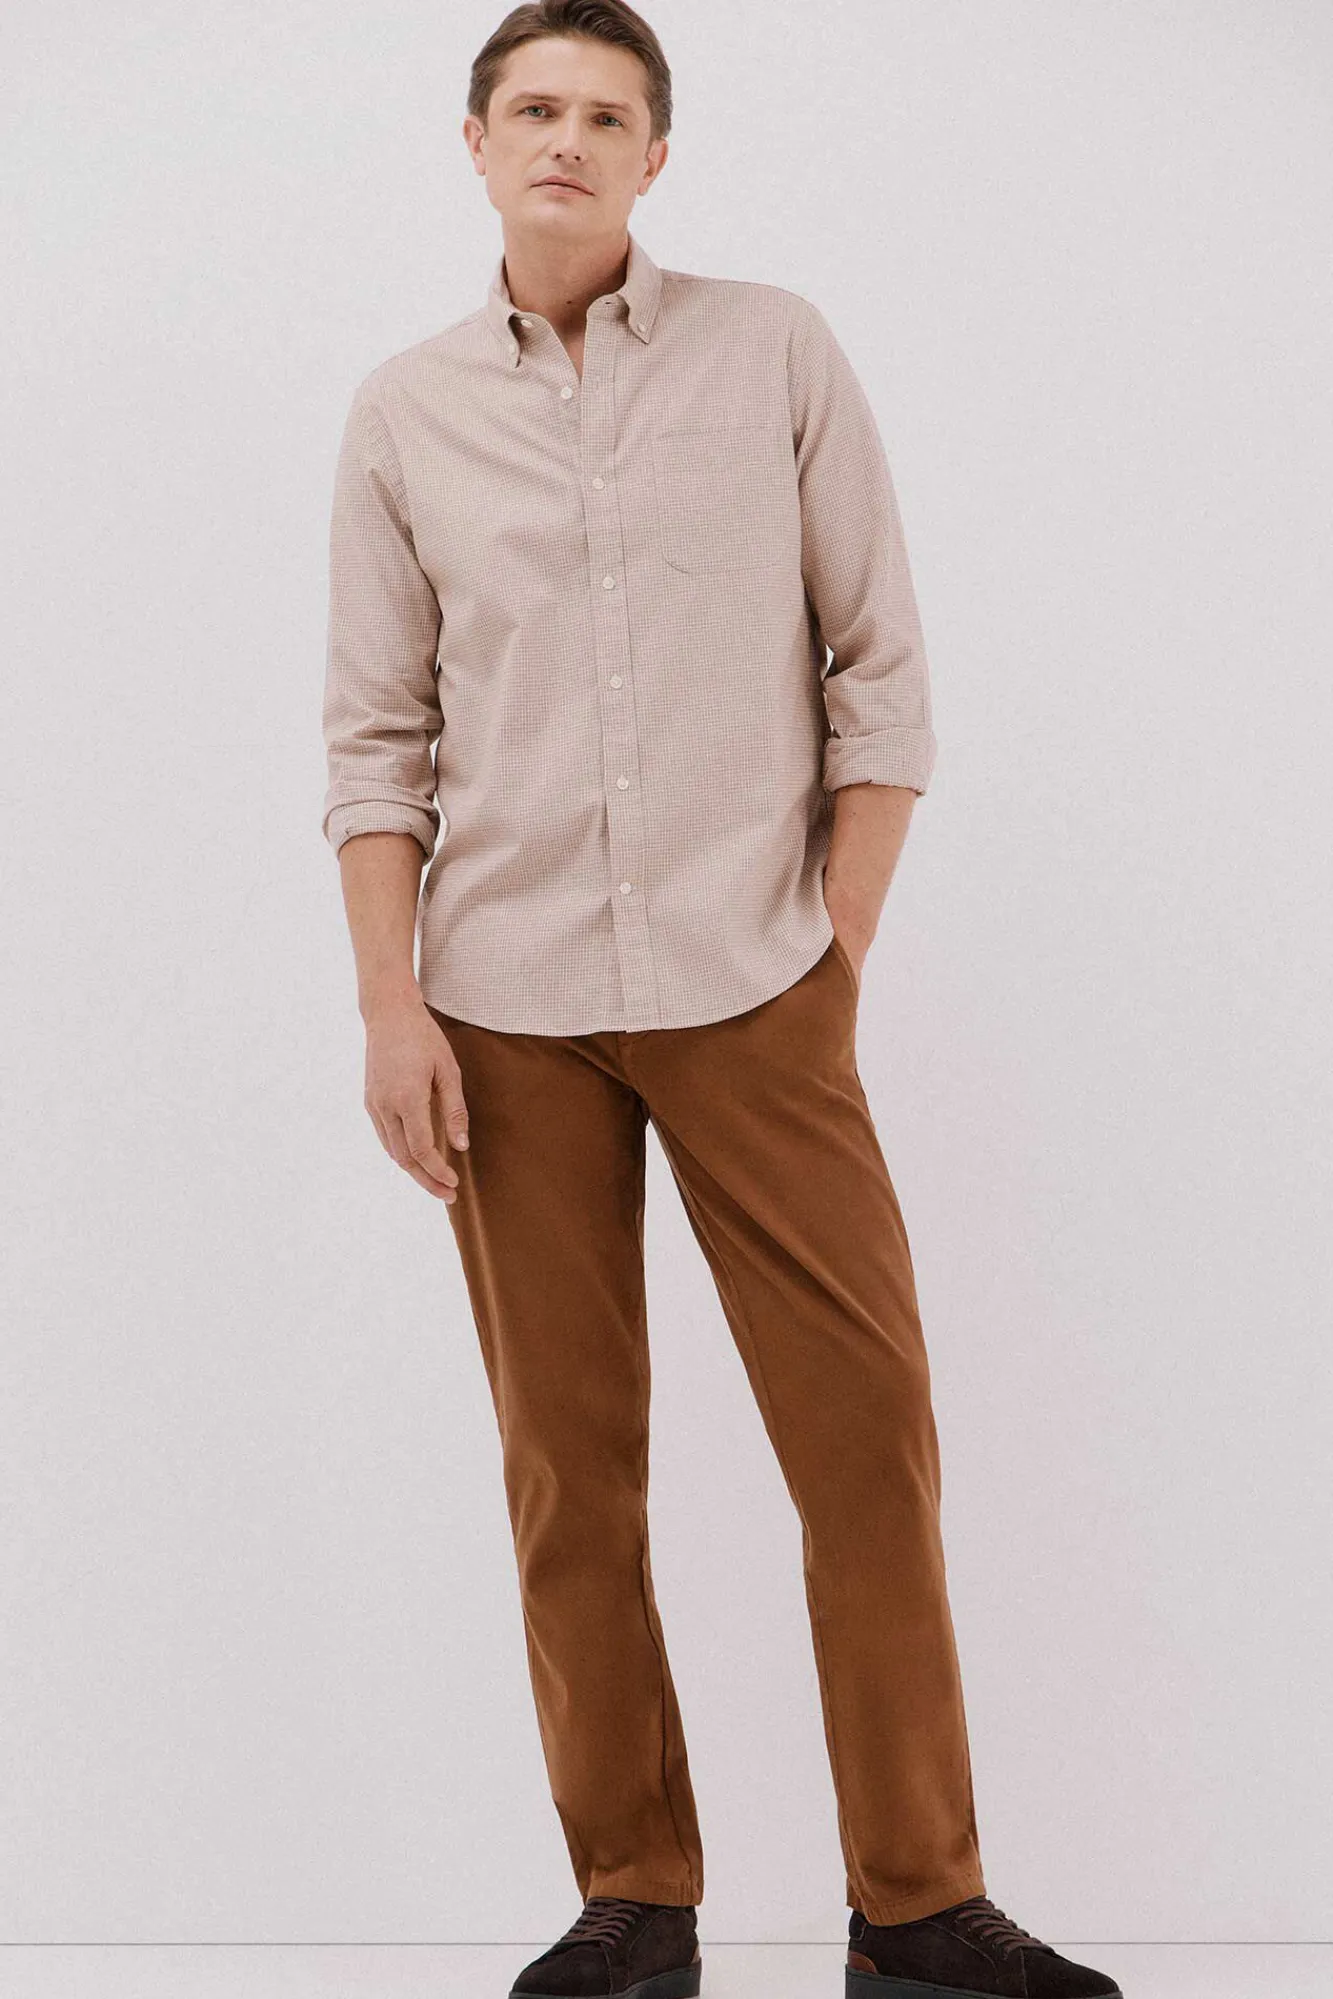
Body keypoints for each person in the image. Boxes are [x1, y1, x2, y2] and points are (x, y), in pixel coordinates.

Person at [321, 5, 1122, 1997]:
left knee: (869, 1440)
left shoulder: (774, 353)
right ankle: (634, 1901)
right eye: (535, 108)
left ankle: (919, 1907)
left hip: (756, 978)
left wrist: (834, 954)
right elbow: (376, 741)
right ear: (477, 142)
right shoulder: (405, 414)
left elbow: (882, 671)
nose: (568, 139)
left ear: (655, 156)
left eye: (607, 114)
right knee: (569, 1467)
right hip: (504, 1004)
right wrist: (390, 1008)